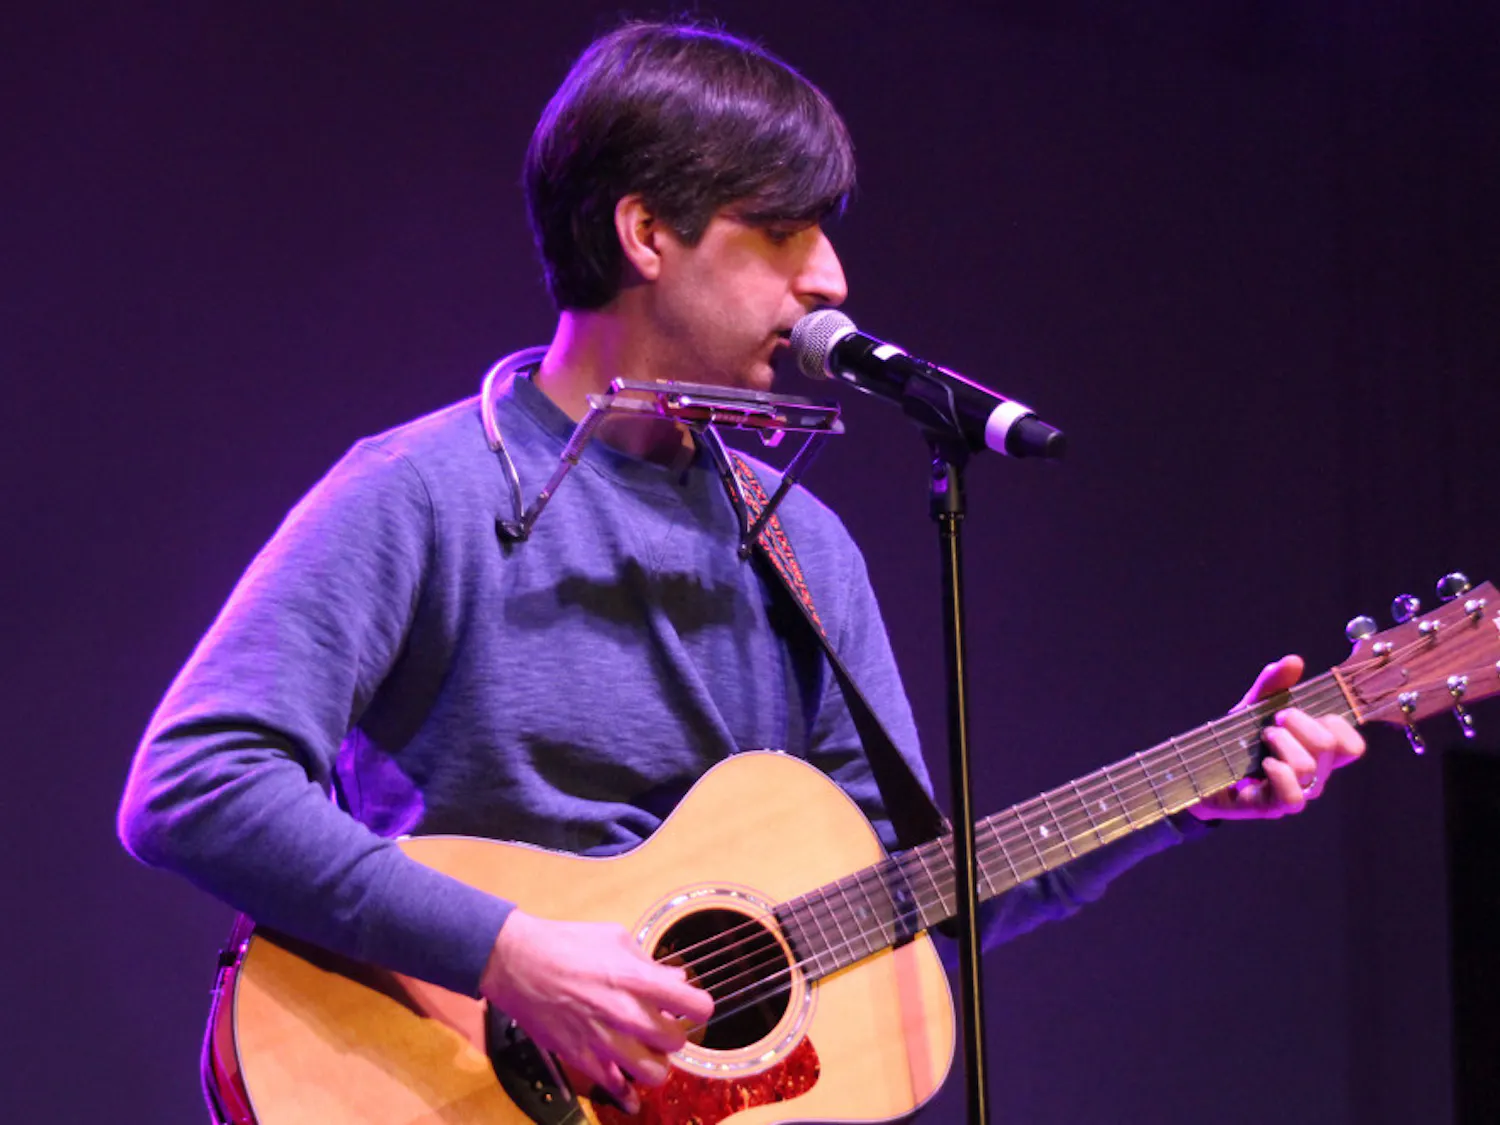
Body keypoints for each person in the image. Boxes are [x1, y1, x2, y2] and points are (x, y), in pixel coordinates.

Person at [117, 19, 1364, 1119]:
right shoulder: (424, 489)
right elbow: (189, 784)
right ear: (646, 231)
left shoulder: (799, 541)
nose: (828, 277)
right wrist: (511, 954)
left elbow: (910, 904)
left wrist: (1187, 800)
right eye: (780, 231)